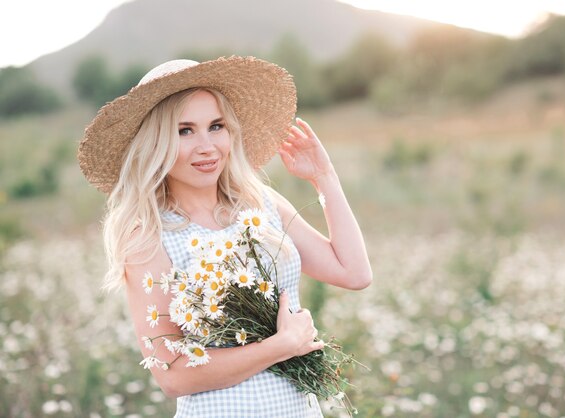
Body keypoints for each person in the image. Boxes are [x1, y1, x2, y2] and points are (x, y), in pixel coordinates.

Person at [77, 56, 372, 417]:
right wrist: (281, 346)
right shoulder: (149, 236)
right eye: (184, 131)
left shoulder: (260, 204)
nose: (207, 146)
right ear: (155, 143)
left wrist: (324, 176)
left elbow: (354, 273)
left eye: (216, 126)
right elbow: (172, 375)